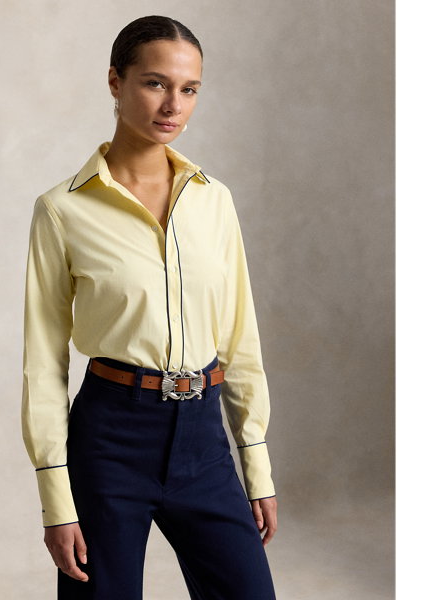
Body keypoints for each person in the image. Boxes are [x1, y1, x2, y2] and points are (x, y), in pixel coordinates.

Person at [21, 15, 278, 600]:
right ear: (115, 81)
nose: (173, 106)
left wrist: (255, 463)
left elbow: (240, 340)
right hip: (110, 440)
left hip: (204, 440)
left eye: (189, 89)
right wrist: (56, 500)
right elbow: (43, 362)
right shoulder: (62, 210)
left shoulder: (214, 200)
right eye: (155, 83)